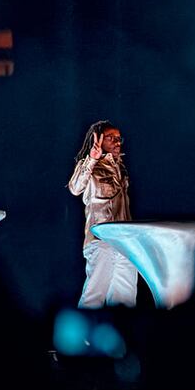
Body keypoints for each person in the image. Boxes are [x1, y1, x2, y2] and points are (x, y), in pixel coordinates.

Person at [67, 120, 137, 308]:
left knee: (126, 298)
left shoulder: (121, 169)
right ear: (98, 140)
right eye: (111, 138)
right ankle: (81, 336)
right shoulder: (90, 166)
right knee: (94, 295)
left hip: (124, 243)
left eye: (118, 138)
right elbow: (75, 188)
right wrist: (92, 159)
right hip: (101, 241)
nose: (117, 142)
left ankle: (121, 335)